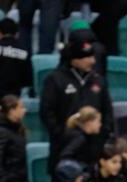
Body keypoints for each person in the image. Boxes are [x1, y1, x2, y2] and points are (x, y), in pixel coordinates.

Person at [40, 37, 114, 173]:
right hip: (64, 148)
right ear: (74, 61)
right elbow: (47, 111)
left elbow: (107, 111)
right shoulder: (55, 79)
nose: (93, 61)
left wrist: (103, 132)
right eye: (87, 57)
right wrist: (62, 134)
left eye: (92, 56)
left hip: (94, 148)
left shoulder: (99, 80)